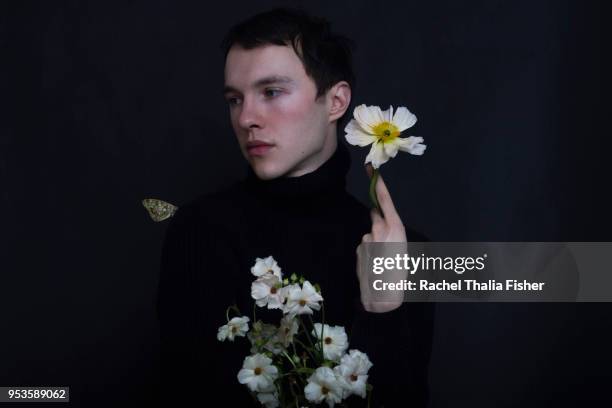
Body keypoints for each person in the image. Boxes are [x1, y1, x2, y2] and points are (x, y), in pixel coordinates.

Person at [156, 7, 434, 407]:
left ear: (336, 101)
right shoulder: (199, 232)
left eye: (271, 92)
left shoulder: (407, 253)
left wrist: (383, 310)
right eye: (235, 99)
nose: (246, 117)